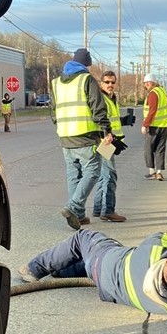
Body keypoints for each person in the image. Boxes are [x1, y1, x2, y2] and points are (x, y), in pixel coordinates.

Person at [18, 230, 167, 316]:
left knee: (82, 238)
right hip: (104, 286)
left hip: (104, 257)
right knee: (87, 264)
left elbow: (166, 238)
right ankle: (60, 272)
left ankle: (34, 268)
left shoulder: (156, 249)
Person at [52, 48, 113, 230]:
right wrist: (105, 130)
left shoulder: (56, 83)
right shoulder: (86, 80)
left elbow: (53, 111)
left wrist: (61, 127)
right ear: (86, 64)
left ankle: (78, 215)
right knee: (93, 171)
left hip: (65, 136)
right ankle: (73, 207)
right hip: (85, 136)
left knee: (73, 173)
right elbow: (97, 106)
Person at [92, 70, 128, 222]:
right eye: (107, 82)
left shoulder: (112, 98)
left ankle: (98, 208)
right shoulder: (101, 98)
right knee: (110, 175)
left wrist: (124, 121)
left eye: (113, 82)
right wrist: (108, 137)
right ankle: (108, 210)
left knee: (103, 176)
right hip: (104, 141)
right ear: (101, 83)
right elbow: (99, 119)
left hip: (110, 140)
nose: (110, 85)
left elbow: (112, 119)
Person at [141, 73, 167, 181]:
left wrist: (145, 125)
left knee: (148, 148)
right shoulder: (163, 91)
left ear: (150, 83)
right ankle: (159, 172)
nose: (145, 86)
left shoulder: (153, 93)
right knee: (160, 148)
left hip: (154, 126)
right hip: (165, 125)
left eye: (146, 84)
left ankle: (152, 171)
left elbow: (152, 110)